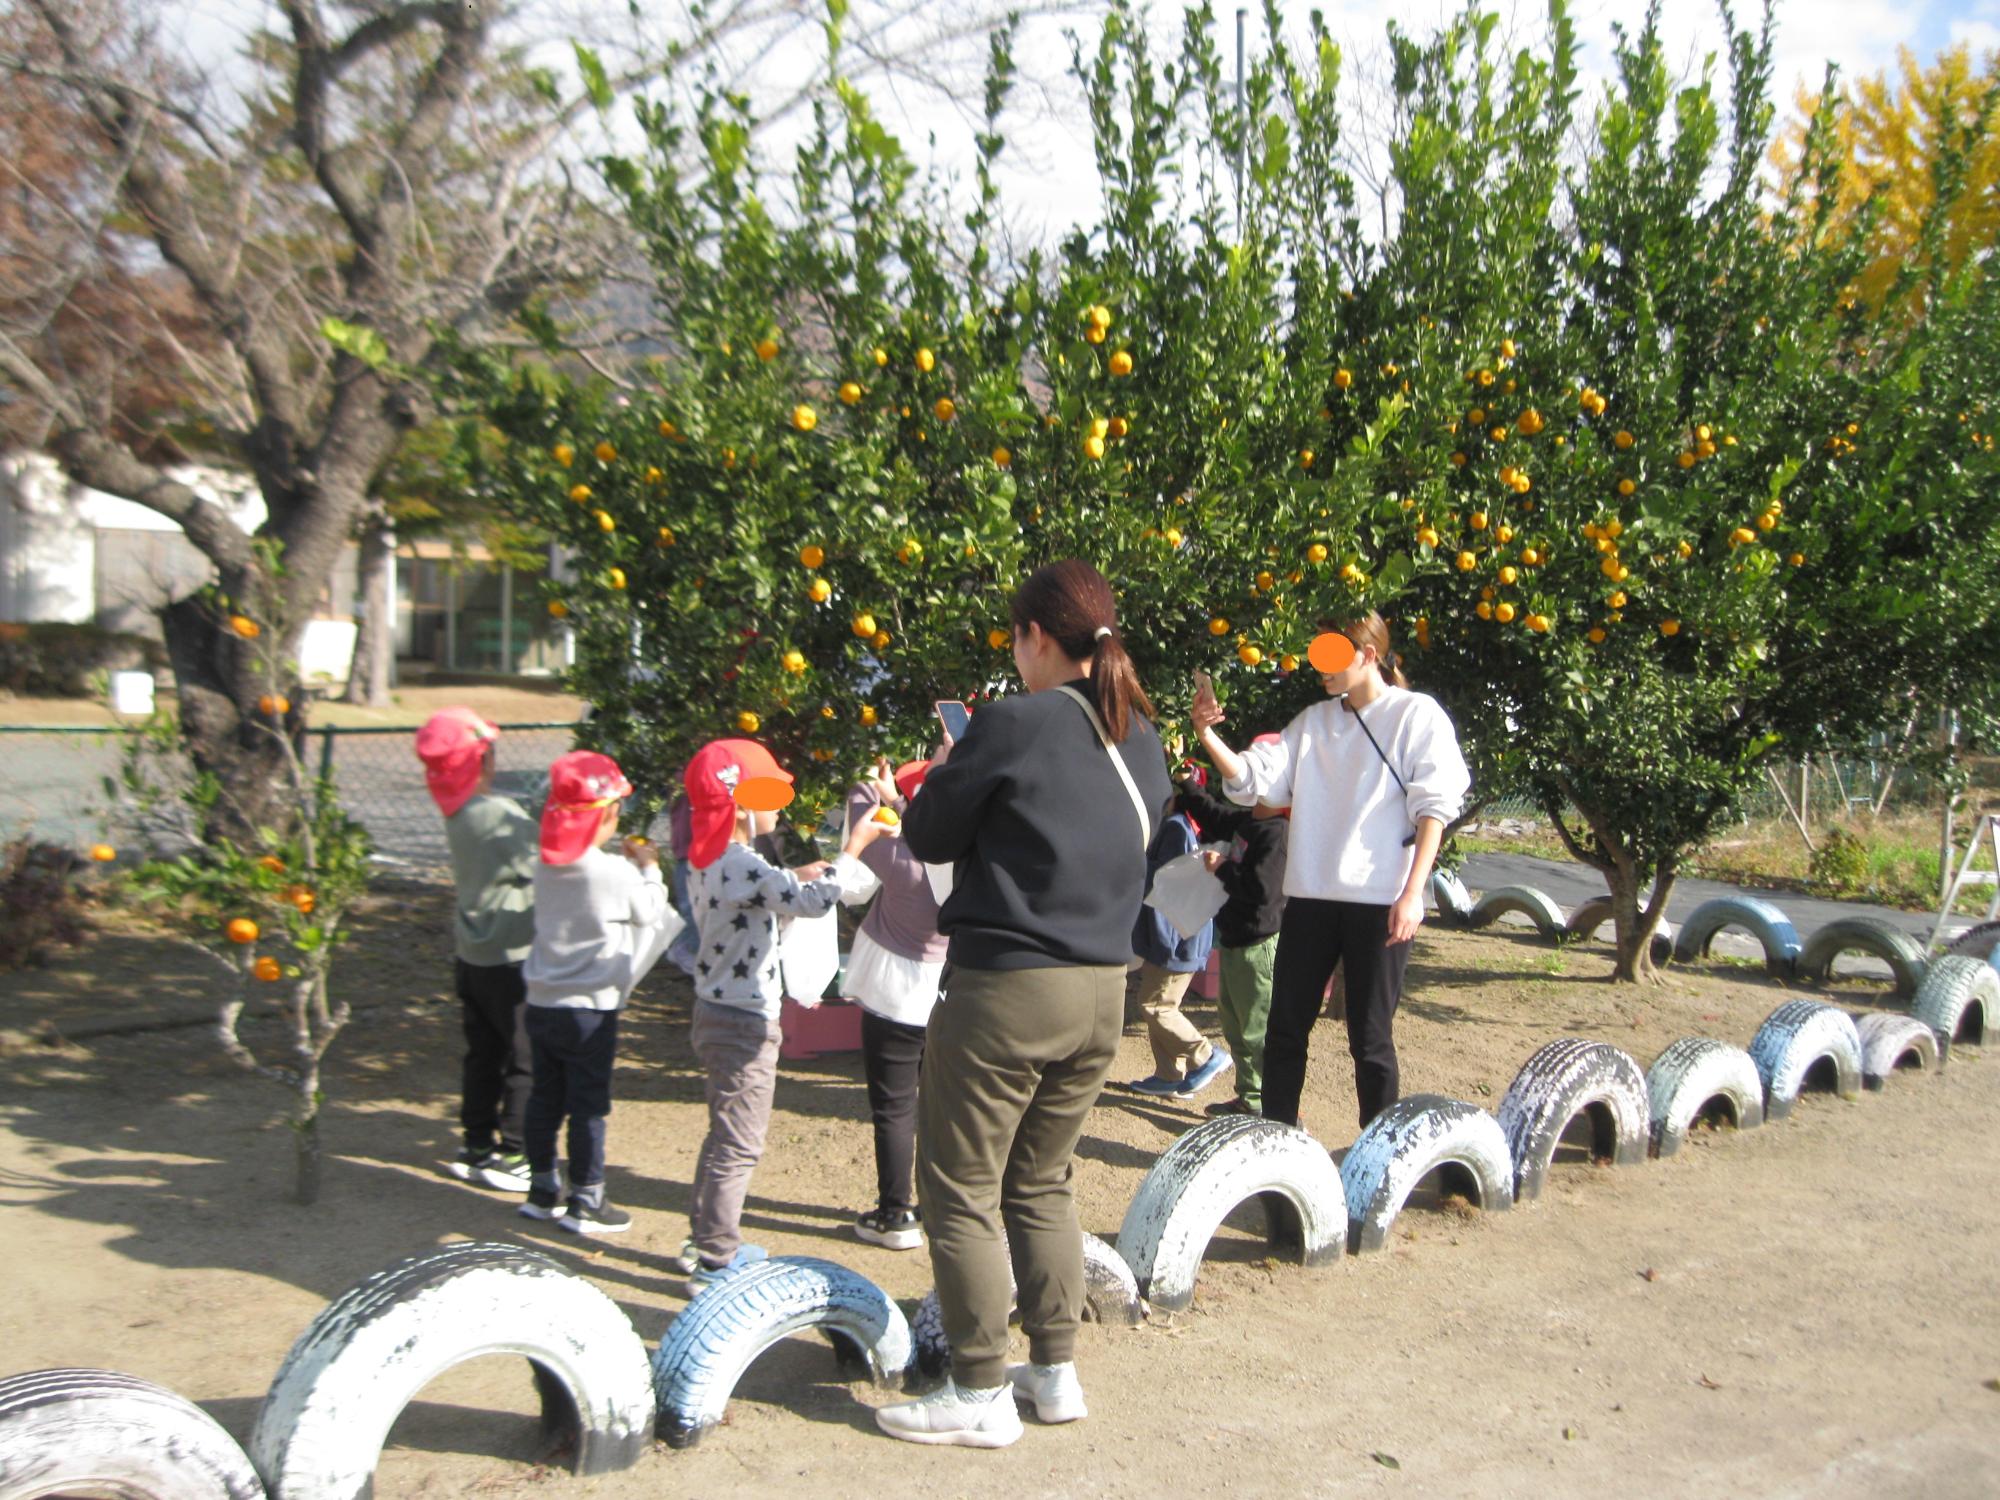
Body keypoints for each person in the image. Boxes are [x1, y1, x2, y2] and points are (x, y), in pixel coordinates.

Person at [877, 559, 1173, 1450]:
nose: (1016, 658)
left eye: (1016, 641)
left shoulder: (1013, 722)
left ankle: (975, 1388)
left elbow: (928, 832)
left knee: (961, 1185)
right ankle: (1053, 1371)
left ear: (1038, 638)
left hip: (1008, 988)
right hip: (1099, 996)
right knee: (1042, 1180)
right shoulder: (1144, 737)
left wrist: (941, 771)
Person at [1192, 614, 1468, 1132]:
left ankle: (1378, 1154)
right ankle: (1276, 1139)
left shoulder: (1415, 715)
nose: (1321, 670)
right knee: (1285, 1029)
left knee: (1370, 1038)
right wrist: (1207, 734)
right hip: (1312, 900)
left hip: (1381, 901)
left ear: (1368, 653)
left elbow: (1436, 805)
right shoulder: (1314, 723)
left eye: (1332, 655)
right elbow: (1257, 780)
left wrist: (1413, 894)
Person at [679, 738, 890, 1289]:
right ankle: (715, 1260)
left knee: (723, 1133)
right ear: (740, 805)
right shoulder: (743, 862)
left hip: (716, 1011)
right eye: (768, 793)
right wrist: (858, 843)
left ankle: (705, 1237)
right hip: (745, 1023)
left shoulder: (711, 857)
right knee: (740, 1142)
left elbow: (766, 894)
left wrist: (796, 874)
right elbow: (818, 902)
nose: (781, 805)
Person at [519, 749, 681, 1235]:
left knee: (544, 1096)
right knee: (588, 1104)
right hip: (591, 1009)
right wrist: (649, 867)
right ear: (604, 817)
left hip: (542, 1000)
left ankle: (542, 1187)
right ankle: (587, 1196)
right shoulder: (611, 872)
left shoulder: (547, 864)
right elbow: (650, 911)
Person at [414, 708, 538, 1193]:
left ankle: (475, 1145)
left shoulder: (457, 811)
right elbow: (541, 861)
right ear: (482, 761)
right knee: (525, 1056)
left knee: (482, 1053)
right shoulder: (498, 814)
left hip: (472, 955)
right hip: (512, 954)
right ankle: (514, 1152)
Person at [838, 756, 948, 1251]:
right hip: (948, 991)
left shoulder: (897, 853)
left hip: (896, 995)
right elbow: (920, 822)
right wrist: (901, 795)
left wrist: (871, 788)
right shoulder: (960, 849)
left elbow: (863, 815)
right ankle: (938, 1205)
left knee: (894, 1108)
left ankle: (895, 1211)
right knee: (939, 1105)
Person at [1174, 737, 1290, 1118]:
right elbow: (1214, 815)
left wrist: (1221, 868)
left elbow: (1260, 889)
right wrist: (1189, 784)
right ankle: (1249, 1097)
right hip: (1238, 940)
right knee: (1236, 1024)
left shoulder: (1277, 834)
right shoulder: (1250, 821)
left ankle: (1268, 1107)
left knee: (1256, 1028)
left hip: (1258, 945)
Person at [1122, 804, 1226, 1097]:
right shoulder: (1192, 826)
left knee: (1156, 1005)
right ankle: (1168, 1074)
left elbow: (1166, 883)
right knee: (1164, 1003)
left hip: (1175, 939)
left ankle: (1204, 1056)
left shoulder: (1175, 828)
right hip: (1186, 934)